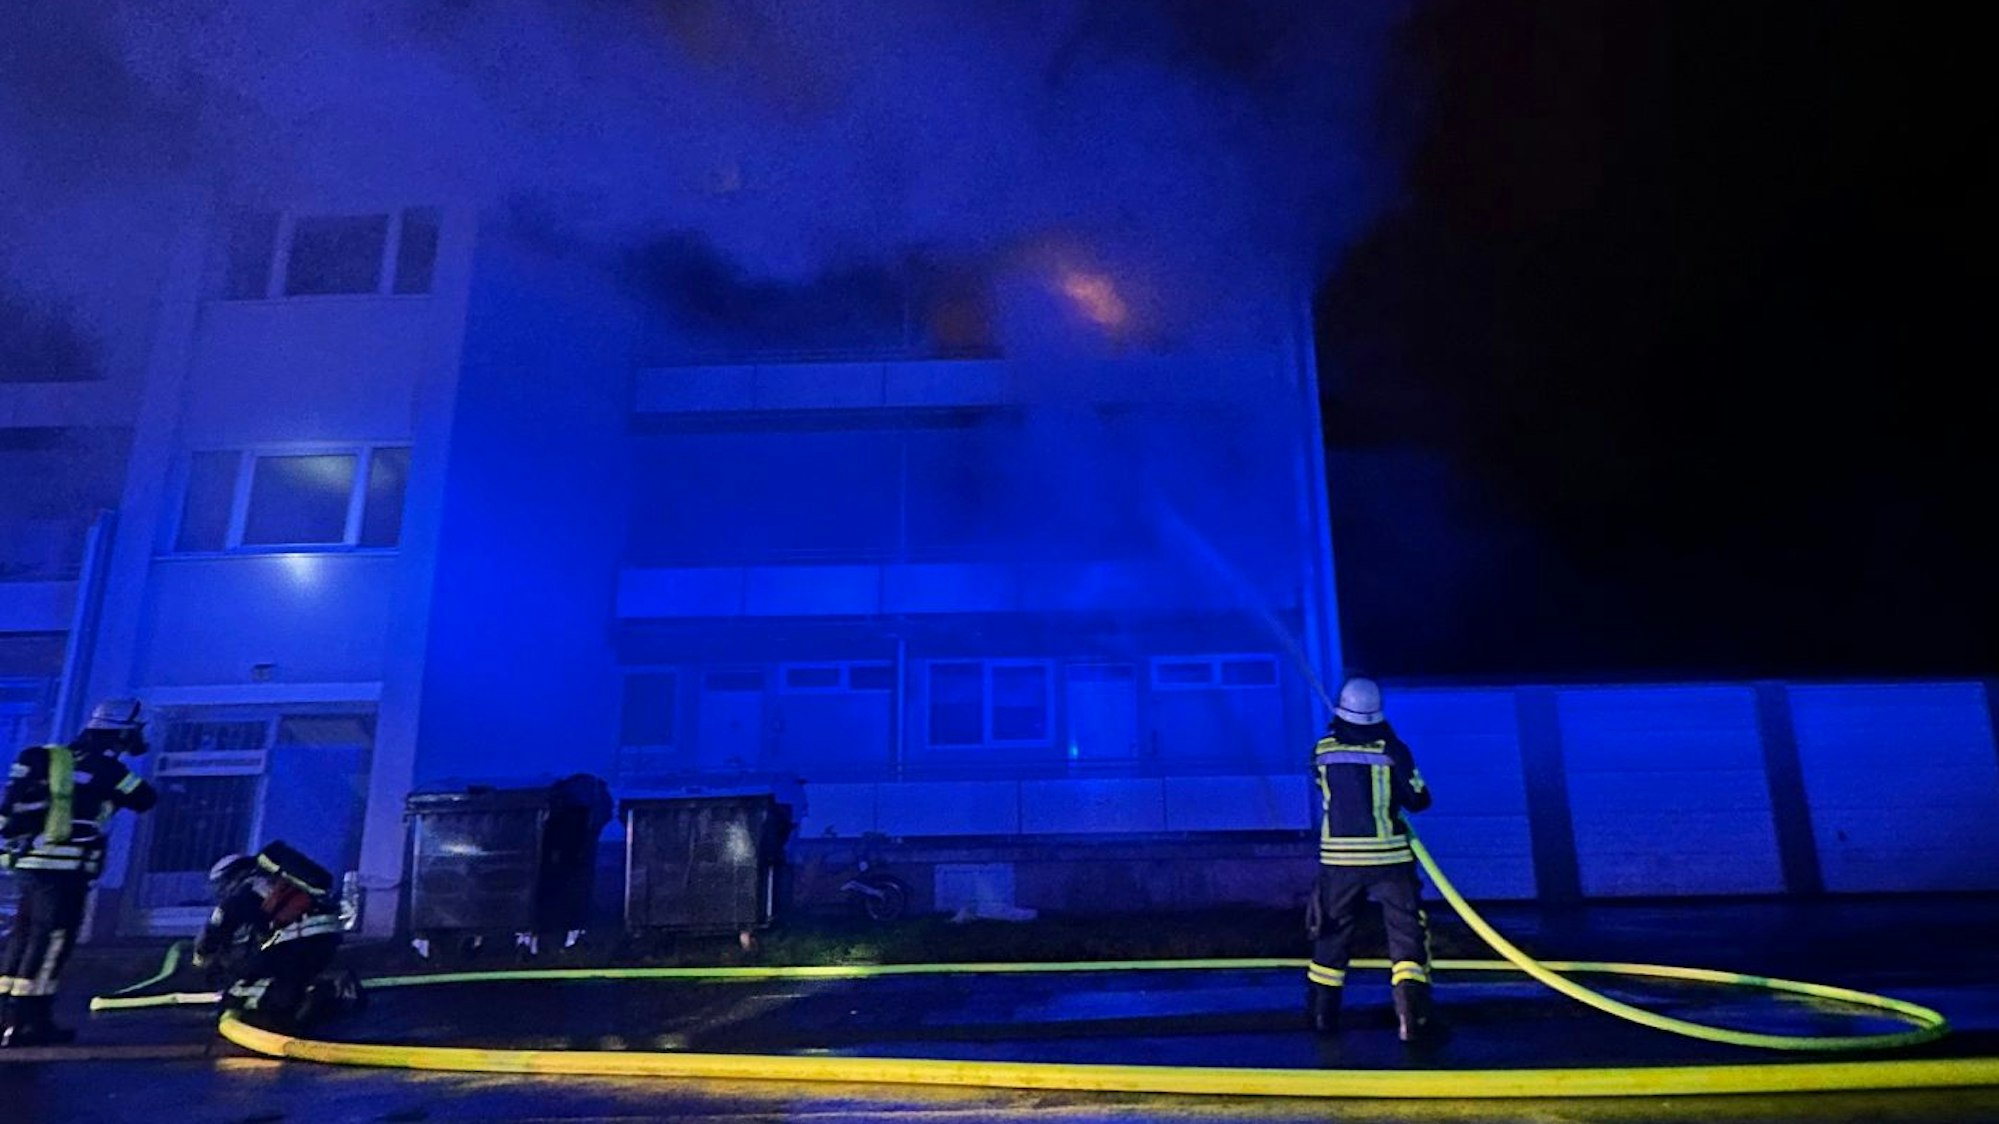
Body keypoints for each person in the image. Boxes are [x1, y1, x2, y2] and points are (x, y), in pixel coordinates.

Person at [0, 698, 159, 1047]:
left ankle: (6, 1018)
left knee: (23, 938)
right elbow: (146, 798)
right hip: (66, 873)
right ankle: (29, 1023)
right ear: (122, 731)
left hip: (29, 868)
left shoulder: (43, 759)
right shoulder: (108, 769)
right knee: (52, 942)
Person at [1304, 676, 1436, 1041]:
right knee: (1406, 934)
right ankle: (1413, 1019)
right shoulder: (1392, 749)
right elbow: (1419, 799)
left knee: (1331, 933)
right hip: (1389, 859)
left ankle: (1322, 1017)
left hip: (1339, 861)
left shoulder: (1322, 750)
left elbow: (1321, 785)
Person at [194, 842, 363, 1033]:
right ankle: (331, 989)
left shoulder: (246, 891)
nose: (220, 890)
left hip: (297, 940)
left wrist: (202, 957)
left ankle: (328, 990)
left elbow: (218, 925)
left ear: (231, 877)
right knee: (288, 980)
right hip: (324, 938)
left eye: (220, 884)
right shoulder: (274, 881)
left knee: (239, 991)